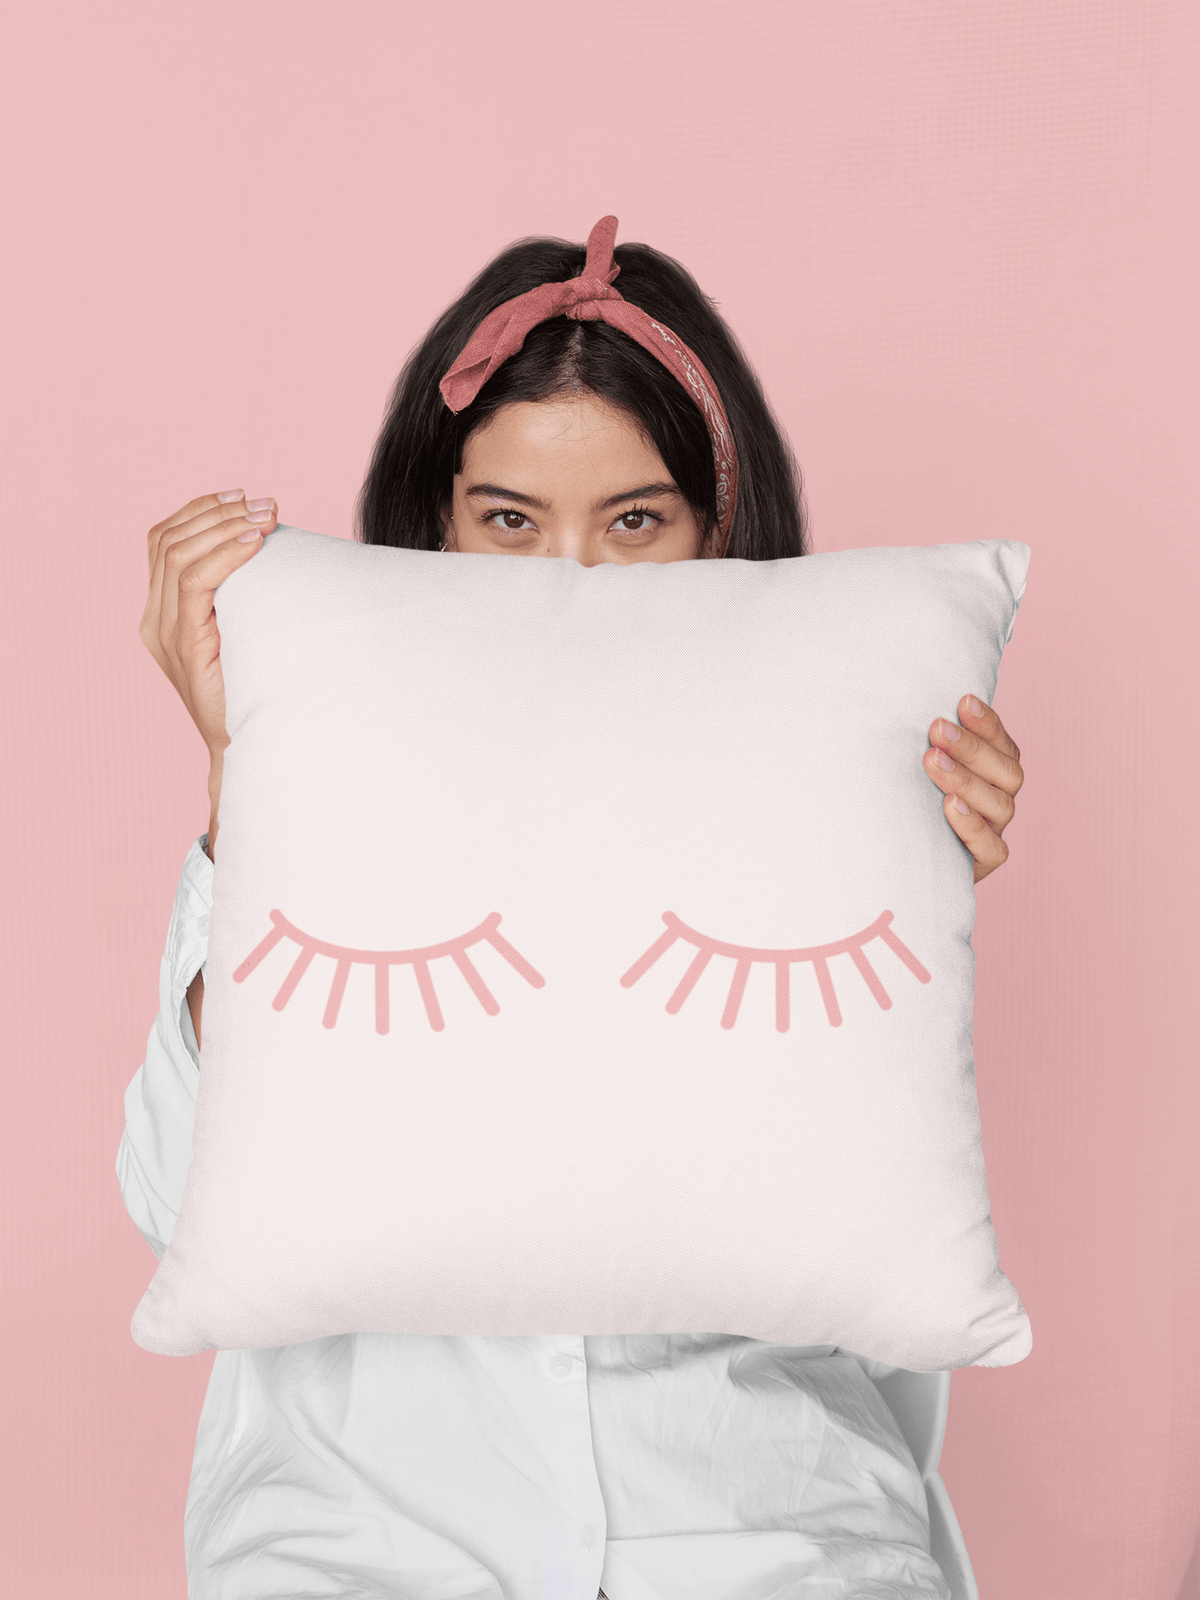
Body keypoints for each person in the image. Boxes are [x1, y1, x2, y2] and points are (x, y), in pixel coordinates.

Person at [120, 216, 1023, 1600]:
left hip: (764, 1525)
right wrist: (247, 791)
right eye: (508, 521)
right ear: (431, 527)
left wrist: (909, 885)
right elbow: (176, 1196)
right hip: (370, 1538)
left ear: (722, 529)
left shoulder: (832, 764)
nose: (569, 584)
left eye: (636, 521)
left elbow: (858, 1233)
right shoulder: (328, 783)